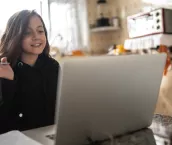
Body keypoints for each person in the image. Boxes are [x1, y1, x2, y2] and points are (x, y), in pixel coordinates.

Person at [0, 10, 59, 134]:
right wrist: (8, 82)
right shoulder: (4, 70)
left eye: (40, 31)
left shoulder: (52, 66)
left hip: (50, 135)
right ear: (15, 37)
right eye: (27, 32)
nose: (36, 36)